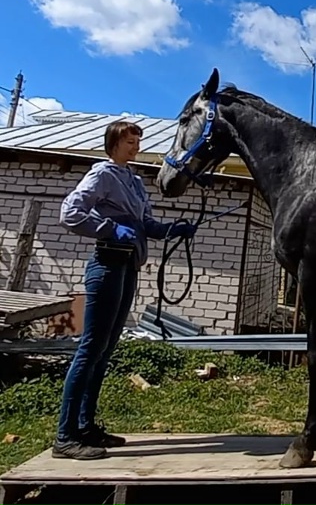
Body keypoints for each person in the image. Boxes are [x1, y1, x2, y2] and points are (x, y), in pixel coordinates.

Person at [52, 120, 194, 460]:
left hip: (128, 267)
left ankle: (86, 428)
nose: (136, 147)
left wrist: (173, 229)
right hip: (106, 265)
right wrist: (110, 228)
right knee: (90, 349)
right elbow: (69, 213)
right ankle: (65, 437)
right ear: (114, 143)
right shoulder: (102, 174)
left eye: (137, 141)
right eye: (130, 141)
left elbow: (145, 225)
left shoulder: (133, 180)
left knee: (104, 350)